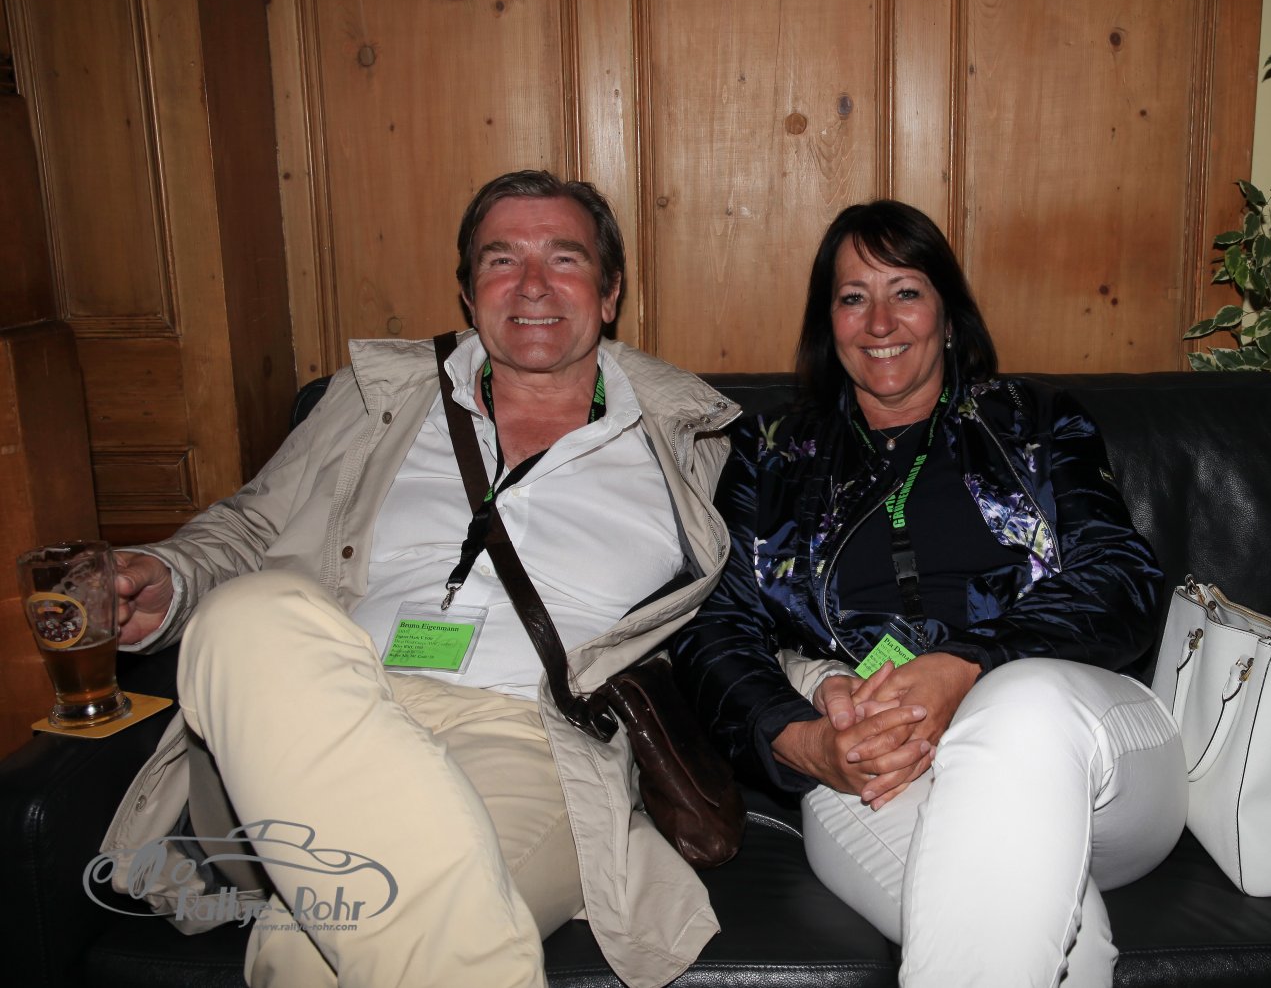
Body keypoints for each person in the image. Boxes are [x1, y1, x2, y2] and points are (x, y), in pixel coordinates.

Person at [105, 170, 740, 987]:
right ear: (469, 291)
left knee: (311, 951)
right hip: (326, 712)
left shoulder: (687, 436)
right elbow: (252, 526)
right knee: (248, 613)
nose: (533, 285)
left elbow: (753, 617)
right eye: (501, 259)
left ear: (610, 291)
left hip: (527, 739)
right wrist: (169, 574)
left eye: (565, 258)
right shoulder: (374, 399)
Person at [671, 199, 1186, 987]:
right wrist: (804, 740)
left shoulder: (1037, 423)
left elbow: (1122, 577)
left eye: (905, 291)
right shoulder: (771, 454)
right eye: (853, 297)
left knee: (1020, 705)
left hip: (1084, 753)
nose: (880, 321)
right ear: (828, 322)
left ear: (948, 314)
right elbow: (714, 626)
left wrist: (968, 662)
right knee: (1054, 940)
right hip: (874, 758)